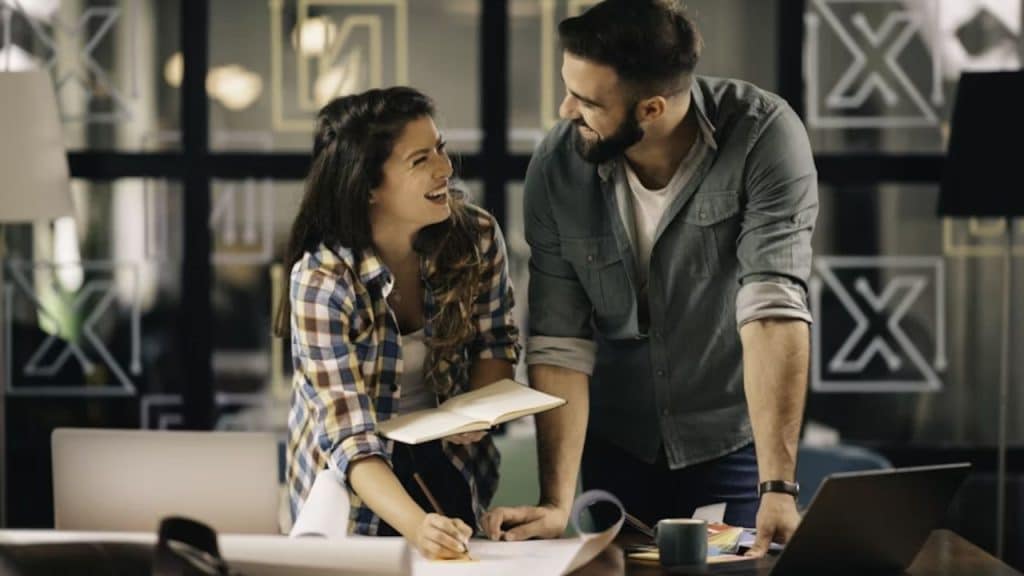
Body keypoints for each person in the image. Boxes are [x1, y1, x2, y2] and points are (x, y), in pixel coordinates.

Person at [483, 0, 817, 556]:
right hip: (615, 444)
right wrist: (555, 503)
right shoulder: (558, 165)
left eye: (588, 101)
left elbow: (772, 311)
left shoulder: (763, 138)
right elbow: (560, 343)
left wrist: (778, 487)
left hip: (730, 444)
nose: (565, 109)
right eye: (569, 88)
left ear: (652, 109)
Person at [275, 87, 520, 559]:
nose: (445, 168)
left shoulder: (477, 238)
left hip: (447, 467)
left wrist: (478, 407)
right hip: (350, 489)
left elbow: (496, 342)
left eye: (442, 148)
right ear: (368, 186)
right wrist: (417, 527)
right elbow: (350, 439)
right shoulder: (322, 280)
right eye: (420, 159)